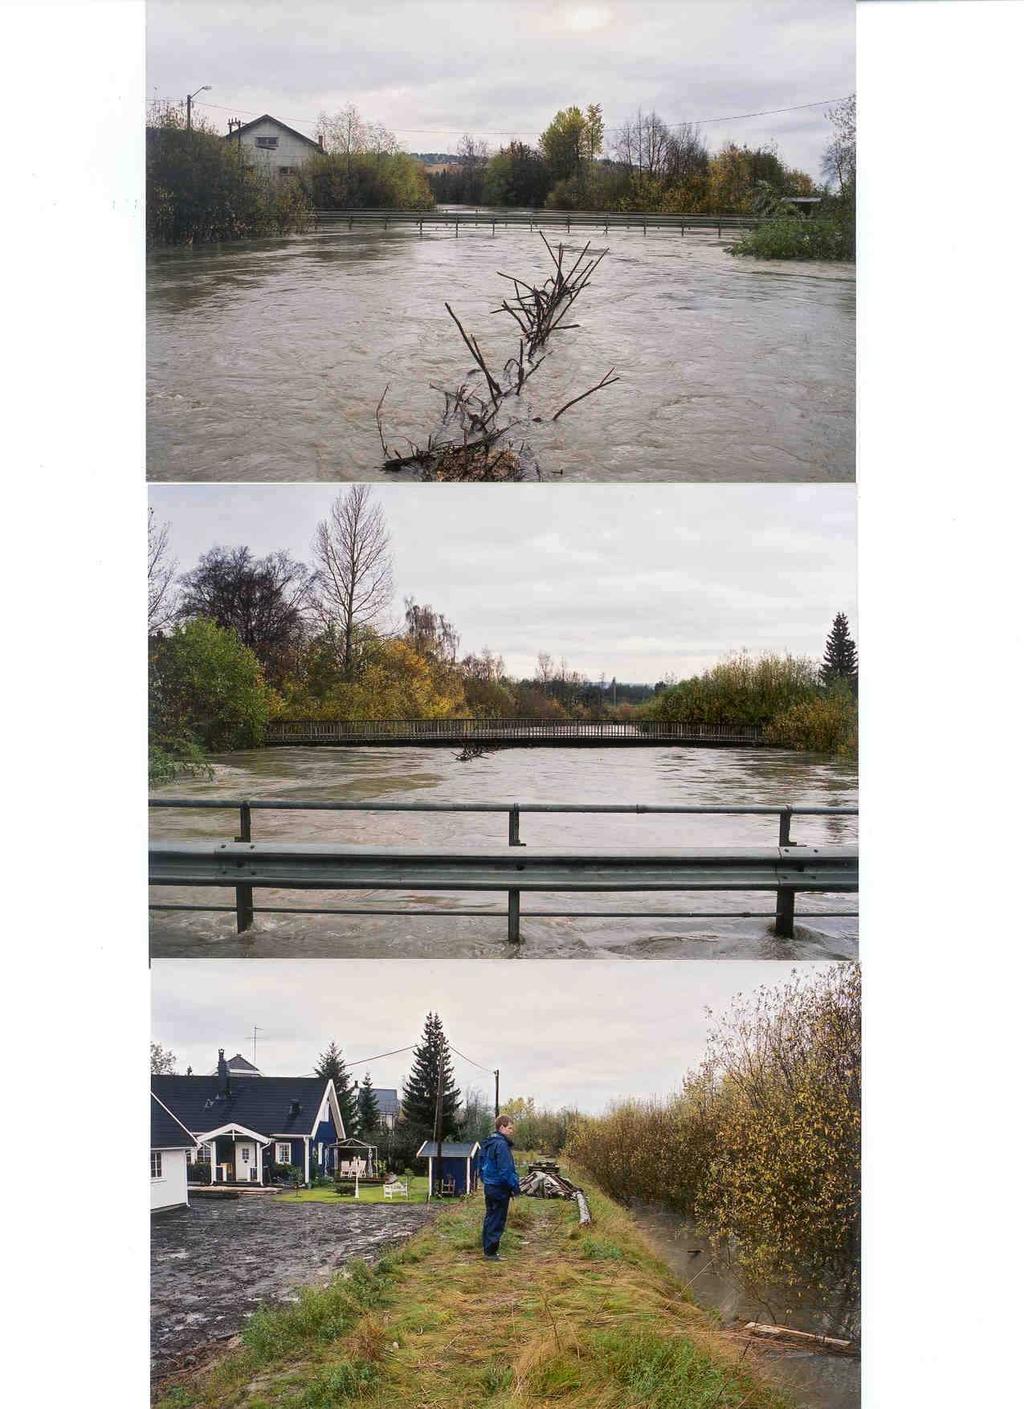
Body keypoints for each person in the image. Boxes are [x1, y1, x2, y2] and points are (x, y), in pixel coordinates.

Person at [479, 1114, 520, 1260]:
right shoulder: (501, 1145)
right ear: (501, 1127)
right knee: (497, 1219)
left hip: (490, 1186)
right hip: (499, 1187)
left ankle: (488, 1250)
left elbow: (481, 1165)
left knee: (490, 1217)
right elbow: (505, 1170)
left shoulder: (488, 1142)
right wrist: (515, 1187)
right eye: (509, 1128)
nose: (511, 1131)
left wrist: (485, 1180)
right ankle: (490, 1253)